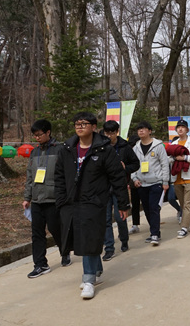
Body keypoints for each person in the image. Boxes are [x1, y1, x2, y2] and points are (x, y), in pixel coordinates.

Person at [55, 112, 130, 299]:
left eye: (84, 123)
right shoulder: (67, 149)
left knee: (88, 237)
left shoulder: (104, 150)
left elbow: (117, 177)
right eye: (77, 123)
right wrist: (61, 200)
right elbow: (59, 176)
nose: (80, 126)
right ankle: (96, 269)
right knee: (81, 237)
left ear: (94, 127)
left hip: (94, 202)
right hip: (72, 202)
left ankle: (88, 279)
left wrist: (123, 204)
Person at [23, 119, 70, 279]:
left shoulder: (61, 150)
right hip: (37, 199)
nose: (37, 138)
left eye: (39, 134)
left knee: (56, 229)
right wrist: (27, 197)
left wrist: (65, 196)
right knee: (37, 233)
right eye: (35, 135)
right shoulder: (34, 152)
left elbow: (67, 175)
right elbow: (30, 176)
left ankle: (64, 251)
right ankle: (40, 264)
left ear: (48, 132)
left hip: (54, 198)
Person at [100, 120, 140, 261]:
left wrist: (125, 168)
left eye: (112, 133)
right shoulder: (100, 147)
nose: (109, 136)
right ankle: (109, 248)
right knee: (105, 219)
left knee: (120, 216)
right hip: (104, 187)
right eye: (107, 133)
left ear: (117, 132)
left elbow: (136, 164)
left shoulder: (125, 146)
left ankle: (124, 239)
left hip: (120, 186)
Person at [131, 121, 170, 246]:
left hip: (156, 182)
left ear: (149, 131)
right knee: (147, 209)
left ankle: (154, 233)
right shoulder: (135, 148)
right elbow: (133, 165)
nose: (141, 131)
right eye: (139, 129)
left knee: (154, 208)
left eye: (143, 129)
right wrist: (134, 179)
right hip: (142, 183)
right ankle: (155, 232)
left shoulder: (158, 146)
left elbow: (165, 164)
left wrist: (165, 181)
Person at [170, 119, 190, 238]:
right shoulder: (174, 144)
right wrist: (174, 158)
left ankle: (184, 227)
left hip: (189, 176)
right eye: (178, 127)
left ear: (187, 129)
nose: (180, 129)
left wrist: (185, 158)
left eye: (183, 127)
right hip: (177, 177)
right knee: (183, 203)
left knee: (188, 203)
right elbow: (168, 158)